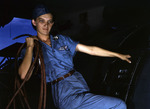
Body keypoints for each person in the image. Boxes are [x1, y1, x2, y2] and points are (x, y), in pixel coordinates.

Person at [18, 4, 131, 109]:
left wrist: (117, 55)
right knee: (119, 105)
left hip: (78, 82)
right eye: (41, 21)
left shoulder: (61, 39)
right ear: (34, 22)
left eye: (49, 21)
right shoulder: (32, 49)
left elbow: (91, 50)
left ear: (52, 23)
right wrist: (29, 47)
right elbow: (24, 76)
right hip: (63, 90)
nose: (46, 25)